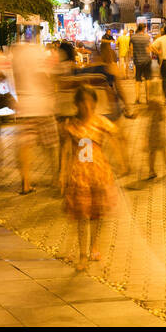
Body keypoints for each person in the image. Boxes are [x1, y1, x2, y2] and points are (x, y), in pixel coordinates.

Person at [60, 85, 119, 270]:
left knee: (95, 214)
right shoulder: (72, 125)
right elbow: (65, 150)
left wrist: (122, 160)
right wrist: (62, 173)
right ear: (77, 104)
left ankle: (94, 245)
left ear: (94, 103)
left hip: (99, 173)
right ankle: (82, 256)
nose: (86, 105)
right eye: (82, 101)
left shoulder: (100, 122)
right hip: (79, 175)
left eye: (90, 101)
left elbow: (116, 136)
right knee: (82, 216)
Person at [12, 41, 59, 194]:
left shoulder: (16, 57)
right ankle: (55, 178)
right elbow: (43, 77)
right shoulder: (39, 53)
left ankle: (26, 183)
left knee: (25, 146)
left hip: (25, 106)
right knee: (51, 146)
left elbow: (15, 80)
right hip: (42, 105)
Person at [130, 21, 154, 104]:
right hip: (146, 61)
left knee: (138, 80)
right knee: (147, 79)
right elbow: (149, 48)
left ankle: (137, 98)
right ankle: (148, 98)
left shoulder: (133, 37)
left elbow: (131, 49)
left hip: (137, 61)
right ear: (144, 28)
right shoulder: (147, 37)